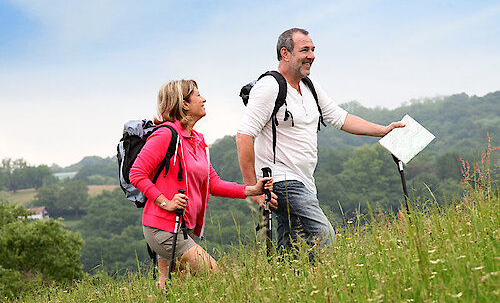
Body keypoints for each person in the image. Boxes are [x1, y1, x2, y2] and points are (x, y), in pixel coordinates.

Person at [236, 28, 404, 258]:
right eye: (304, 50)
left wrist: (382, 130)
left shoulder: (309, 86)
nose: (312, 55)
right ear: (285, 54)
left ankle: (288, 288)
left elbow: (340, 118)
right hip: (282, 180)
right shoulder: (269, 87)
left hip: (305, 181)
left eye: (313, 50)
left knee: (289, 251)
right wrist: (252, 189)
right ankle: (325, 285)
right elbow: (244, 136)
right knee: (324, 235)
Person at [130, 79, 273, 288]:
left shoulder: (197, 139)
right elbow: (137, 174)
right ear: (184, 103)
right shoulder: (165, 135)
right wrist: (165, 202)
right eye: (198, 95)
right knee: (217, 275)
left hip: (182, 227)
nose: (203, 99)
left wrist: (251, 190)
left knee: (171, 289)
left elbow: (212, 183)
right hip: (164, 227)